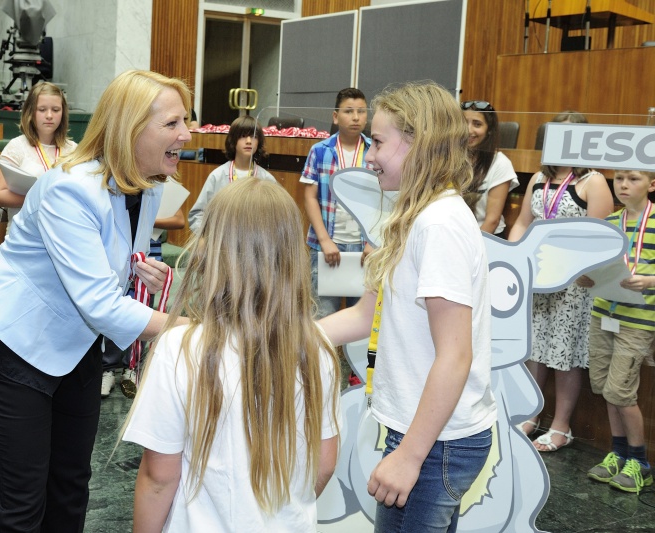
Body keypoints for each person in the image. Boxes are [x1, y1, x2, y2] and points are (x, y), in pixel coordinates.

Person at [0, 69, 192, 531]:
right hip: (12, 340)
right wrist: (197, 328)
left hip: (74, 342)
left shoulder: (149, 184)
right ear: (129, 128)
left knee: (70, 483)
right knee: (23, 499)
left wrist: (137, 269)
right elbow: (100, 304)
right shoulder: (69, 187)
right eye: (172, 123)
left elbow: (108, 258)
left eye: (186, 121)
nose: (186, 134)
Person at [318, 81, 496, 532]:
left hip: (436, 443)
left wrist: (410, 456)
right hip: (426, 434)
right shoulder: (417, 217)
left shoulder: (438, 225)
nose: (369, 156)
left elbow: (455, 356)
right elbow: (364, 315)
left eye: (378, 143)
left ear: (418, 143)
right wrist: (285, 335)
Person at [122, 178, 341, 532]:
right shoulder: (319, 349)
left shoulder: (179, 348)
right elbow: (325, 463)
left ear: (214, 252)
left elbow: (158, 477)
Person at [508, 110, 614, 452]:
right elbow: (522, 222)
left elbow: (600, 236)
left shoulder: (593, 181)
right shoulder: (539, 178)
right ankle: (531, 414)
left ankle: (561, 426)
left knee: (564, 354)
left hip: (573, 284)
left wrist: (576, 268)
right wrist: (514, 256)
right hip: (538, 278)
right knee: (535, 349)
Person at [582, 169, 655, 494]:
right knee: (605, 388)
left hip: (637, 319)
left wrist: (649, 280)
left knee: (621, 392)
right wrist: (585, 277)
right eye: (619, 179)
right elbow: (598, 267)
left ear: (652, 184)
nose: (624, 185)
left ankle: (640, 462)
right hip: (604, 313)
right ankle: (618, 453)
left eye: (633, 179)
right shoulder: (610, 222)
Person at [301, 87, 372, 318]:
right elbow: (310, 197)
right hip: (326, 246)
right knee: (322, 317)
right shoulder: (320, 151)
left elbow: (383, 200)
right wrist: (325, 240)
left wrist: (374, 242)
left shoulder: (375, 151)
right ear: (335, 116)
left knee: (360, 320)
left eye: (361, 111)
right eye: (348, 111)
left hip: (365, 249)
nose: (355, 117)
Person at [101, 206, 186, 399]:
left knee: (143, 311)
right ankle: (107, 368)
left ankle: (131, 367)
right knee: (117, 311)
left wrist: (147, 219)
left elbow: (179, 220)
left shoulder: (160, 192)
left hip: (149, 262)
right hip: (122, 260)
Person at [0, 81, 77, 233]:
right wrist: (41, 199)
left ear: (63, 113)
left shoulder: (73, 149)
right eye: (42, 110)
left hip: (61, 233)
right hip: (24, 234)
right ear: (31, 112)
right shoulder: (16, 147)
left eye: (56, 110)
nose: (49, 115)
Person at [188, 115, 275, 233]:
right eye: (243, 136)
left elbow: (276, 218)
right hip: (221, 240)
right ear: (233, 141)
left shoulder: (267, 179)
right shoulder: (217, 176)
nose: (249, 141)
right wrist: (206, 238)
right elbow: (197, 215)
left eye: (254, 137)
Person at [460, 100, 519, 235]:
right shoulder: (451, 160)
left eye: (477, 124)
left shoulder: (500, 163)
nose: (468, 130)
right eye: (463, 123)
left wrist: (471, 245)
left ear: (489, 130)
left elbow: (492, 221)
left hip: (486, 237)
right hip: (456, 236)